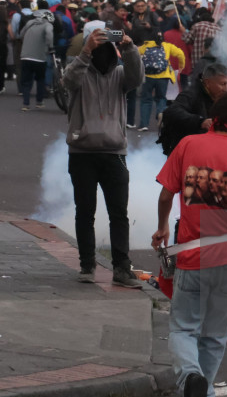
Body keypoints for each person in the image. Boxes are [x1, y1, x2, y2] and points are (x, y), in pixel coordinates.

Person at [151, 91, 227, 397]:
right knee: (215, 336)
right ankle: (202, 388)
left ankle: (191, 376)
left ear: (215, 117)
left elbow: (166, 194)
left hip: (192, 254)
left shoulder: (189, 144)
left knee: (183, 328)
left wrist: (163, 227)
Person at [62, 23, 144, 287]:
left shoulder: (120, 74)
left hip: (114, 153)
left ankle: (121, 268)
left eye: (106, 42)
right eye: (97, 42)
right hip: (82, 152)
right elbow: (68, 80)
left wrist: (129, 48)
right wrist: (85, 51)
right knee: (85, 211)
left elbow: (137, 78)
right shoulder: (79, 72)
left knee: (118, 213)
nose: (102, 48)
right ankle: (87, 265)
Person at [159, 63, 227, 156]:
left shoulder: (223, 97)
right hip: (186, 151)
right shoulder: (191, 94)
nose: (226, 88)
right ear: (208, 83)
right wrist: (200, 122)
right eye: (222, 84)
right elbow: (172, 112)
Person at [138, 31, 185, 131]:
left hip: (148, 77)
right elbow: (180, 53)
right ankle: (161, 113)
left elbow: (136, 53)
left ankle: (144, 125)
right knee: (161, 98)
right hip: (163, 77)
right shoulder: (167, 46)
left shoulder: (146, 46)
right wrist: (181, 66)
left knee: (146, 99)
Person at [19, 10, 54, 110]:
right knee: (40, 80)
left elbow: (21, 34)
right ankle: (39, 102)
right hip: (39, 58)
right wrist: (50, 46)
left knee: (26, 81)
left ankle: (26, 104)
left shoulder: (30, 23)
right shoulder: (48, 25)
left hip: (25, 56)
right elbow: (49, 34)